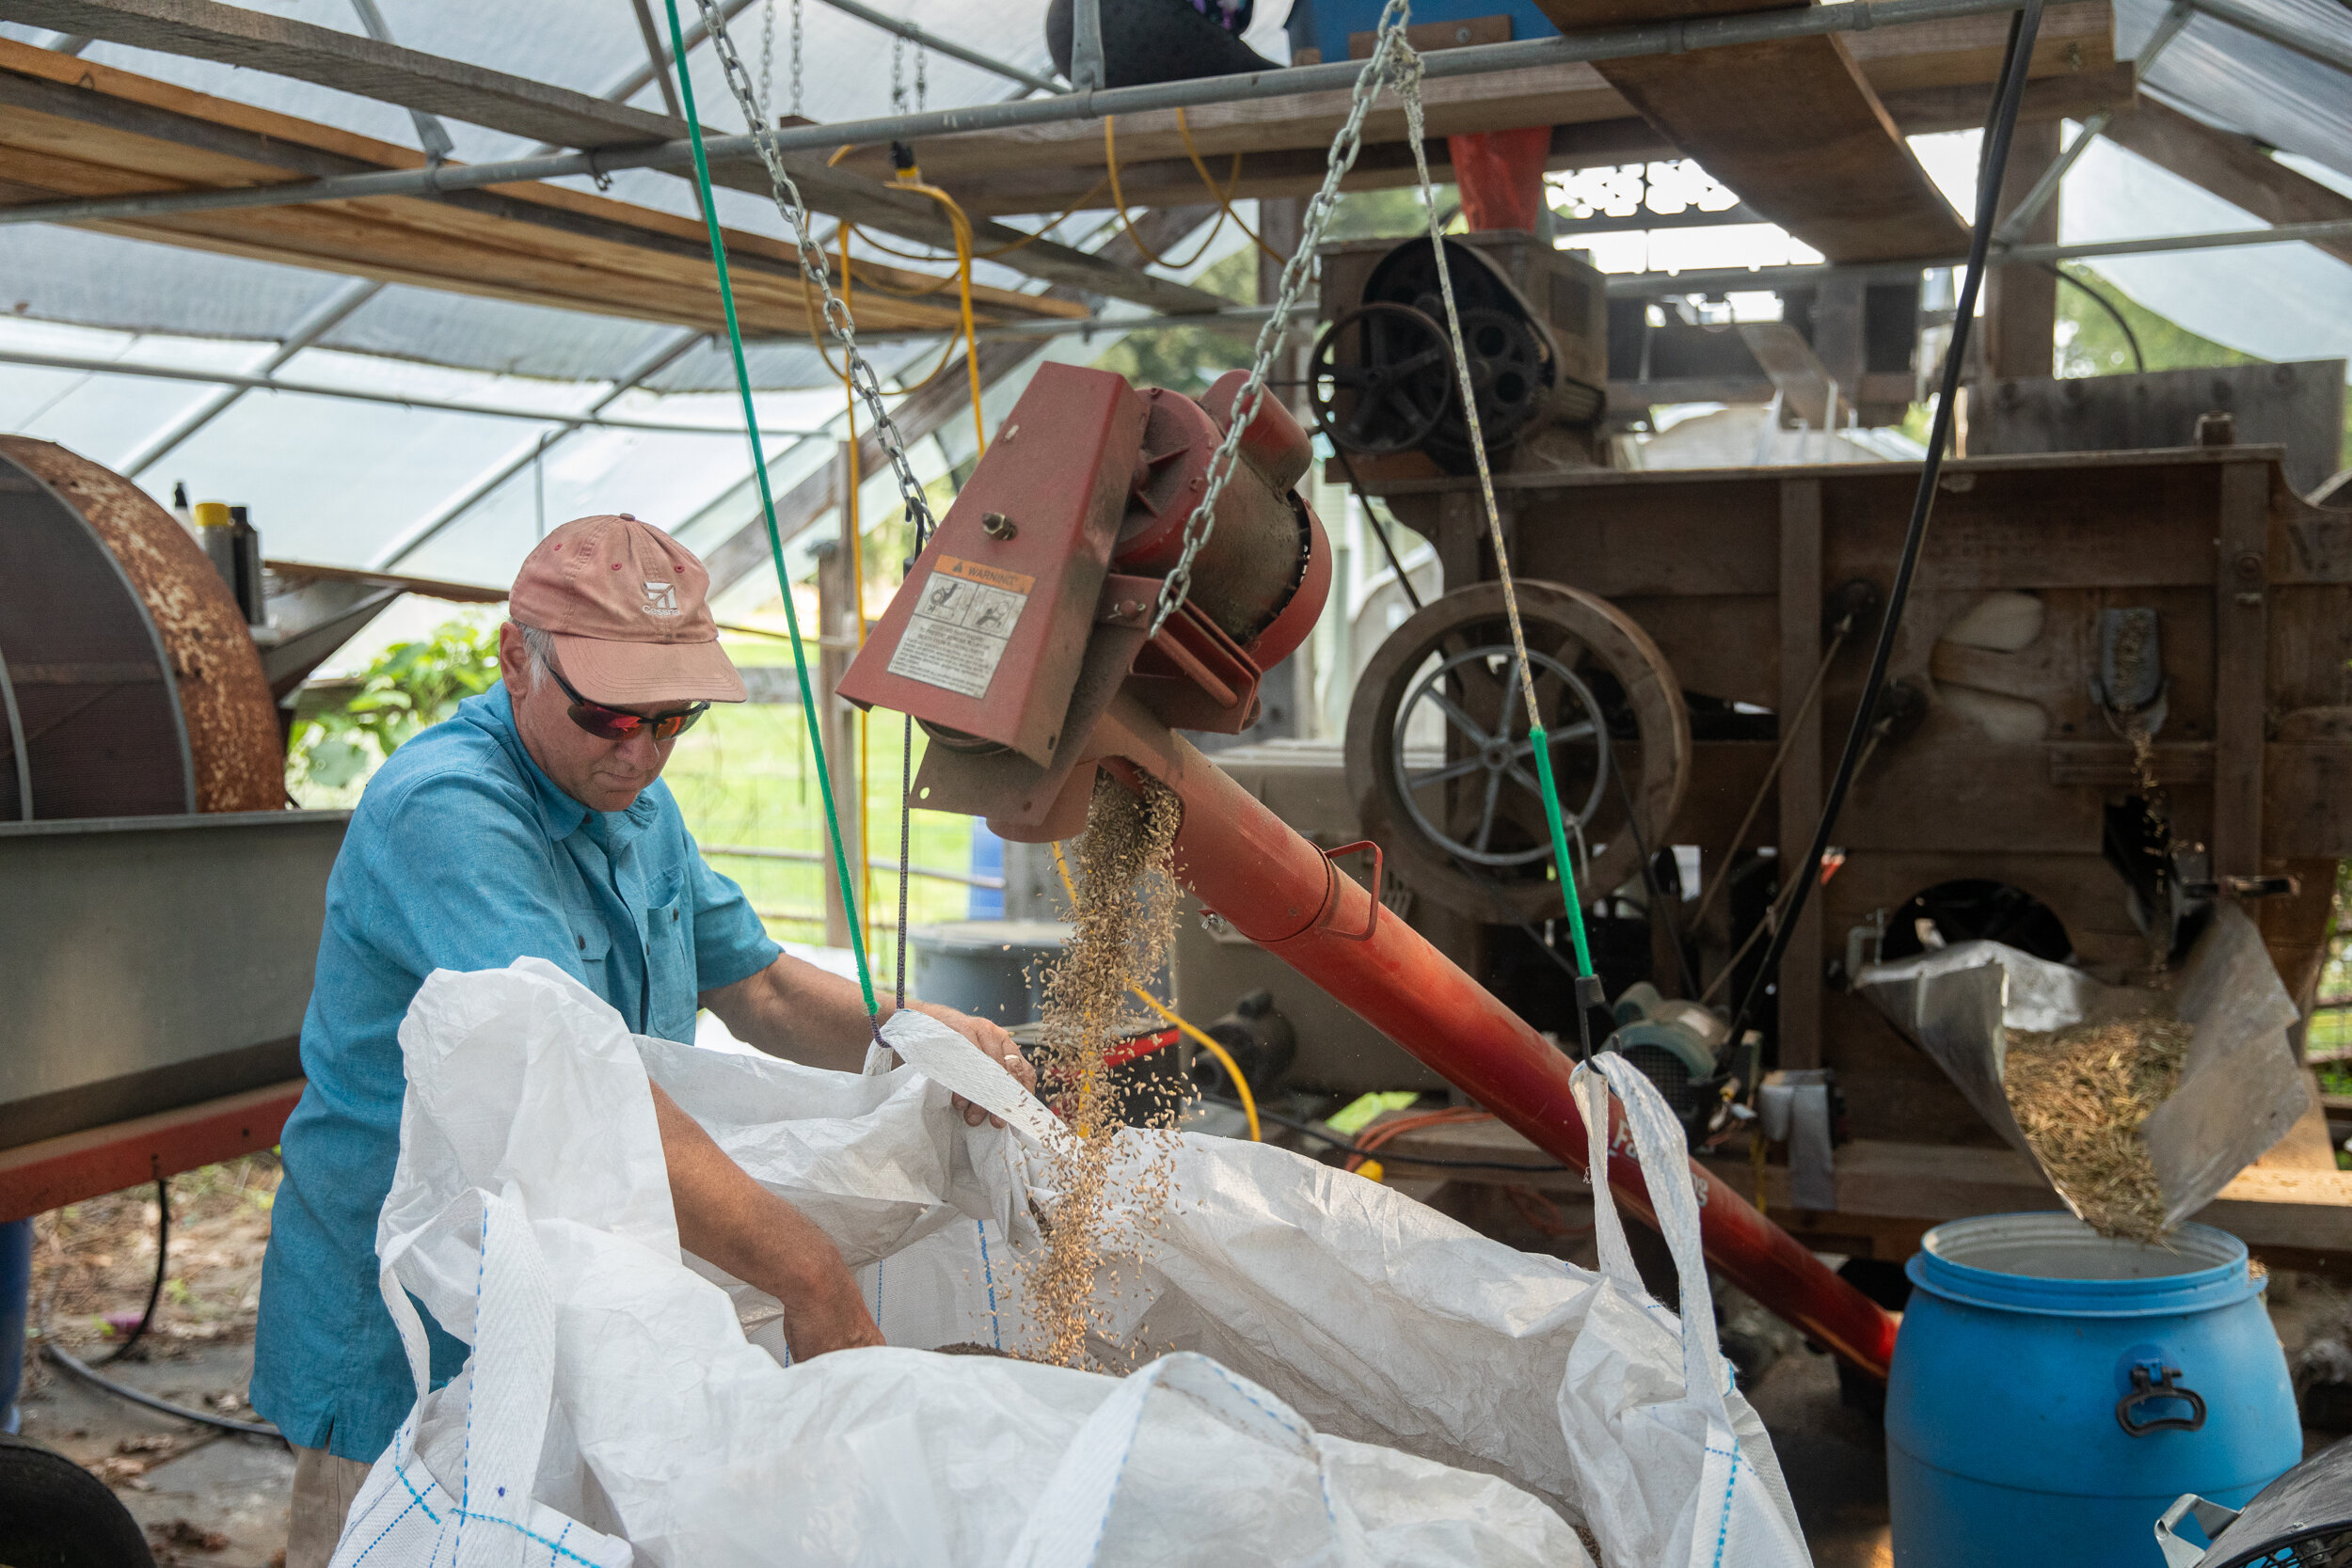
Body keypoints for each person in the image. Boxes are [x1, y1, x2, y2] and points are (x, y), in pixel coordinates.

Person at [251, 515, 1031, 1567]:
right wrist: (808, 1271)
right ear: (515, 659)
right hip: (416, 1320)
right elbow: (582, 1097)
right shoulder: (449, 813)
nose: (641, 752)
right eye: (610, 716)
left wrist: (913, 1028)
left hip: (572, 1277)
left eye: (672, 720)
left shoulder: (632, 801)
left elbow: (756, 982)